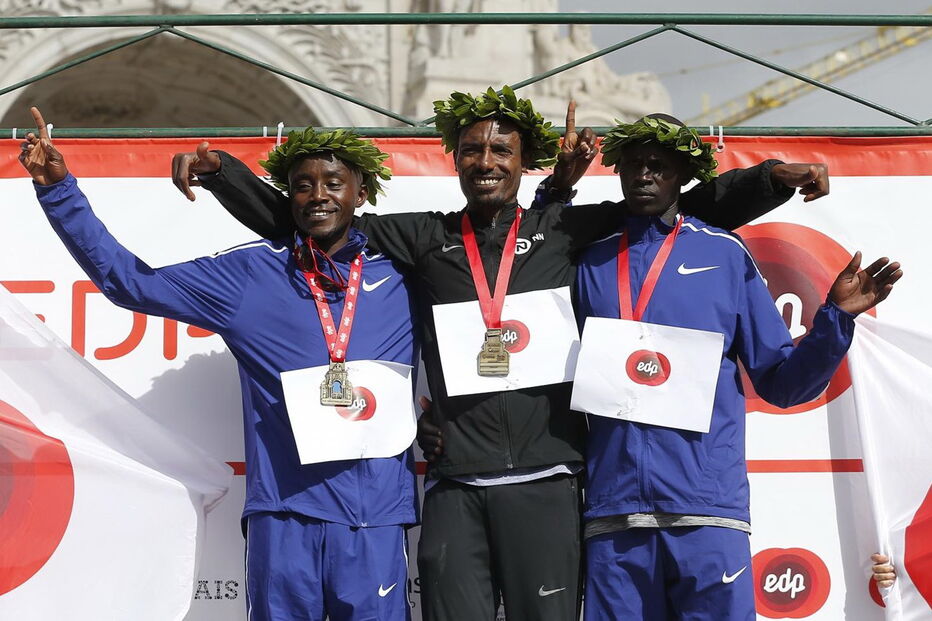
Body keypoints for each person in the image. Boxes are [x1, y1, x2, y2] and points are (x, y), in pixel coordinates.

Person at [170, 87, 829, 621]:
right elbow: (312, 220)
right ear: (455, 158)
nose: (486, 159)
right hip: (458, 483)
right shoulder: (425, 238)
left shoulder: (567, 230)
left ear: (523, 161)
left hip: (551, 481)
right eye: (473, 148)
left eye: (501, 149)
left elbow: (682, 204)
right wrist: (226, 174)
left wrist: (773, 179)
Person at [21, 108, 418, 621]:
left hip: (375, 520)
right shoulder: (251, 274)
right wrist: (59, 190)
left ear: (360, 194)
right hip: (284, 516)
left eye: (333, 183)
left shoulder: (409, 273)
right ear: (289, 197)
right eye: (302, 185)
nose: (318, 195)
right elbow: (129, 283)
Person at [571, 113, 902, 620]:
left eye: (658, 165)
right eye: (632, 164)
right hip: (614, 513)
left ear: (683, 175)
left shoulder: (724, 254)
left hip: (707, 509)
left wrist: (834, 319)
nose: (643, 175)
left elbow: (782, 383)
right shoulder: (585, 260)